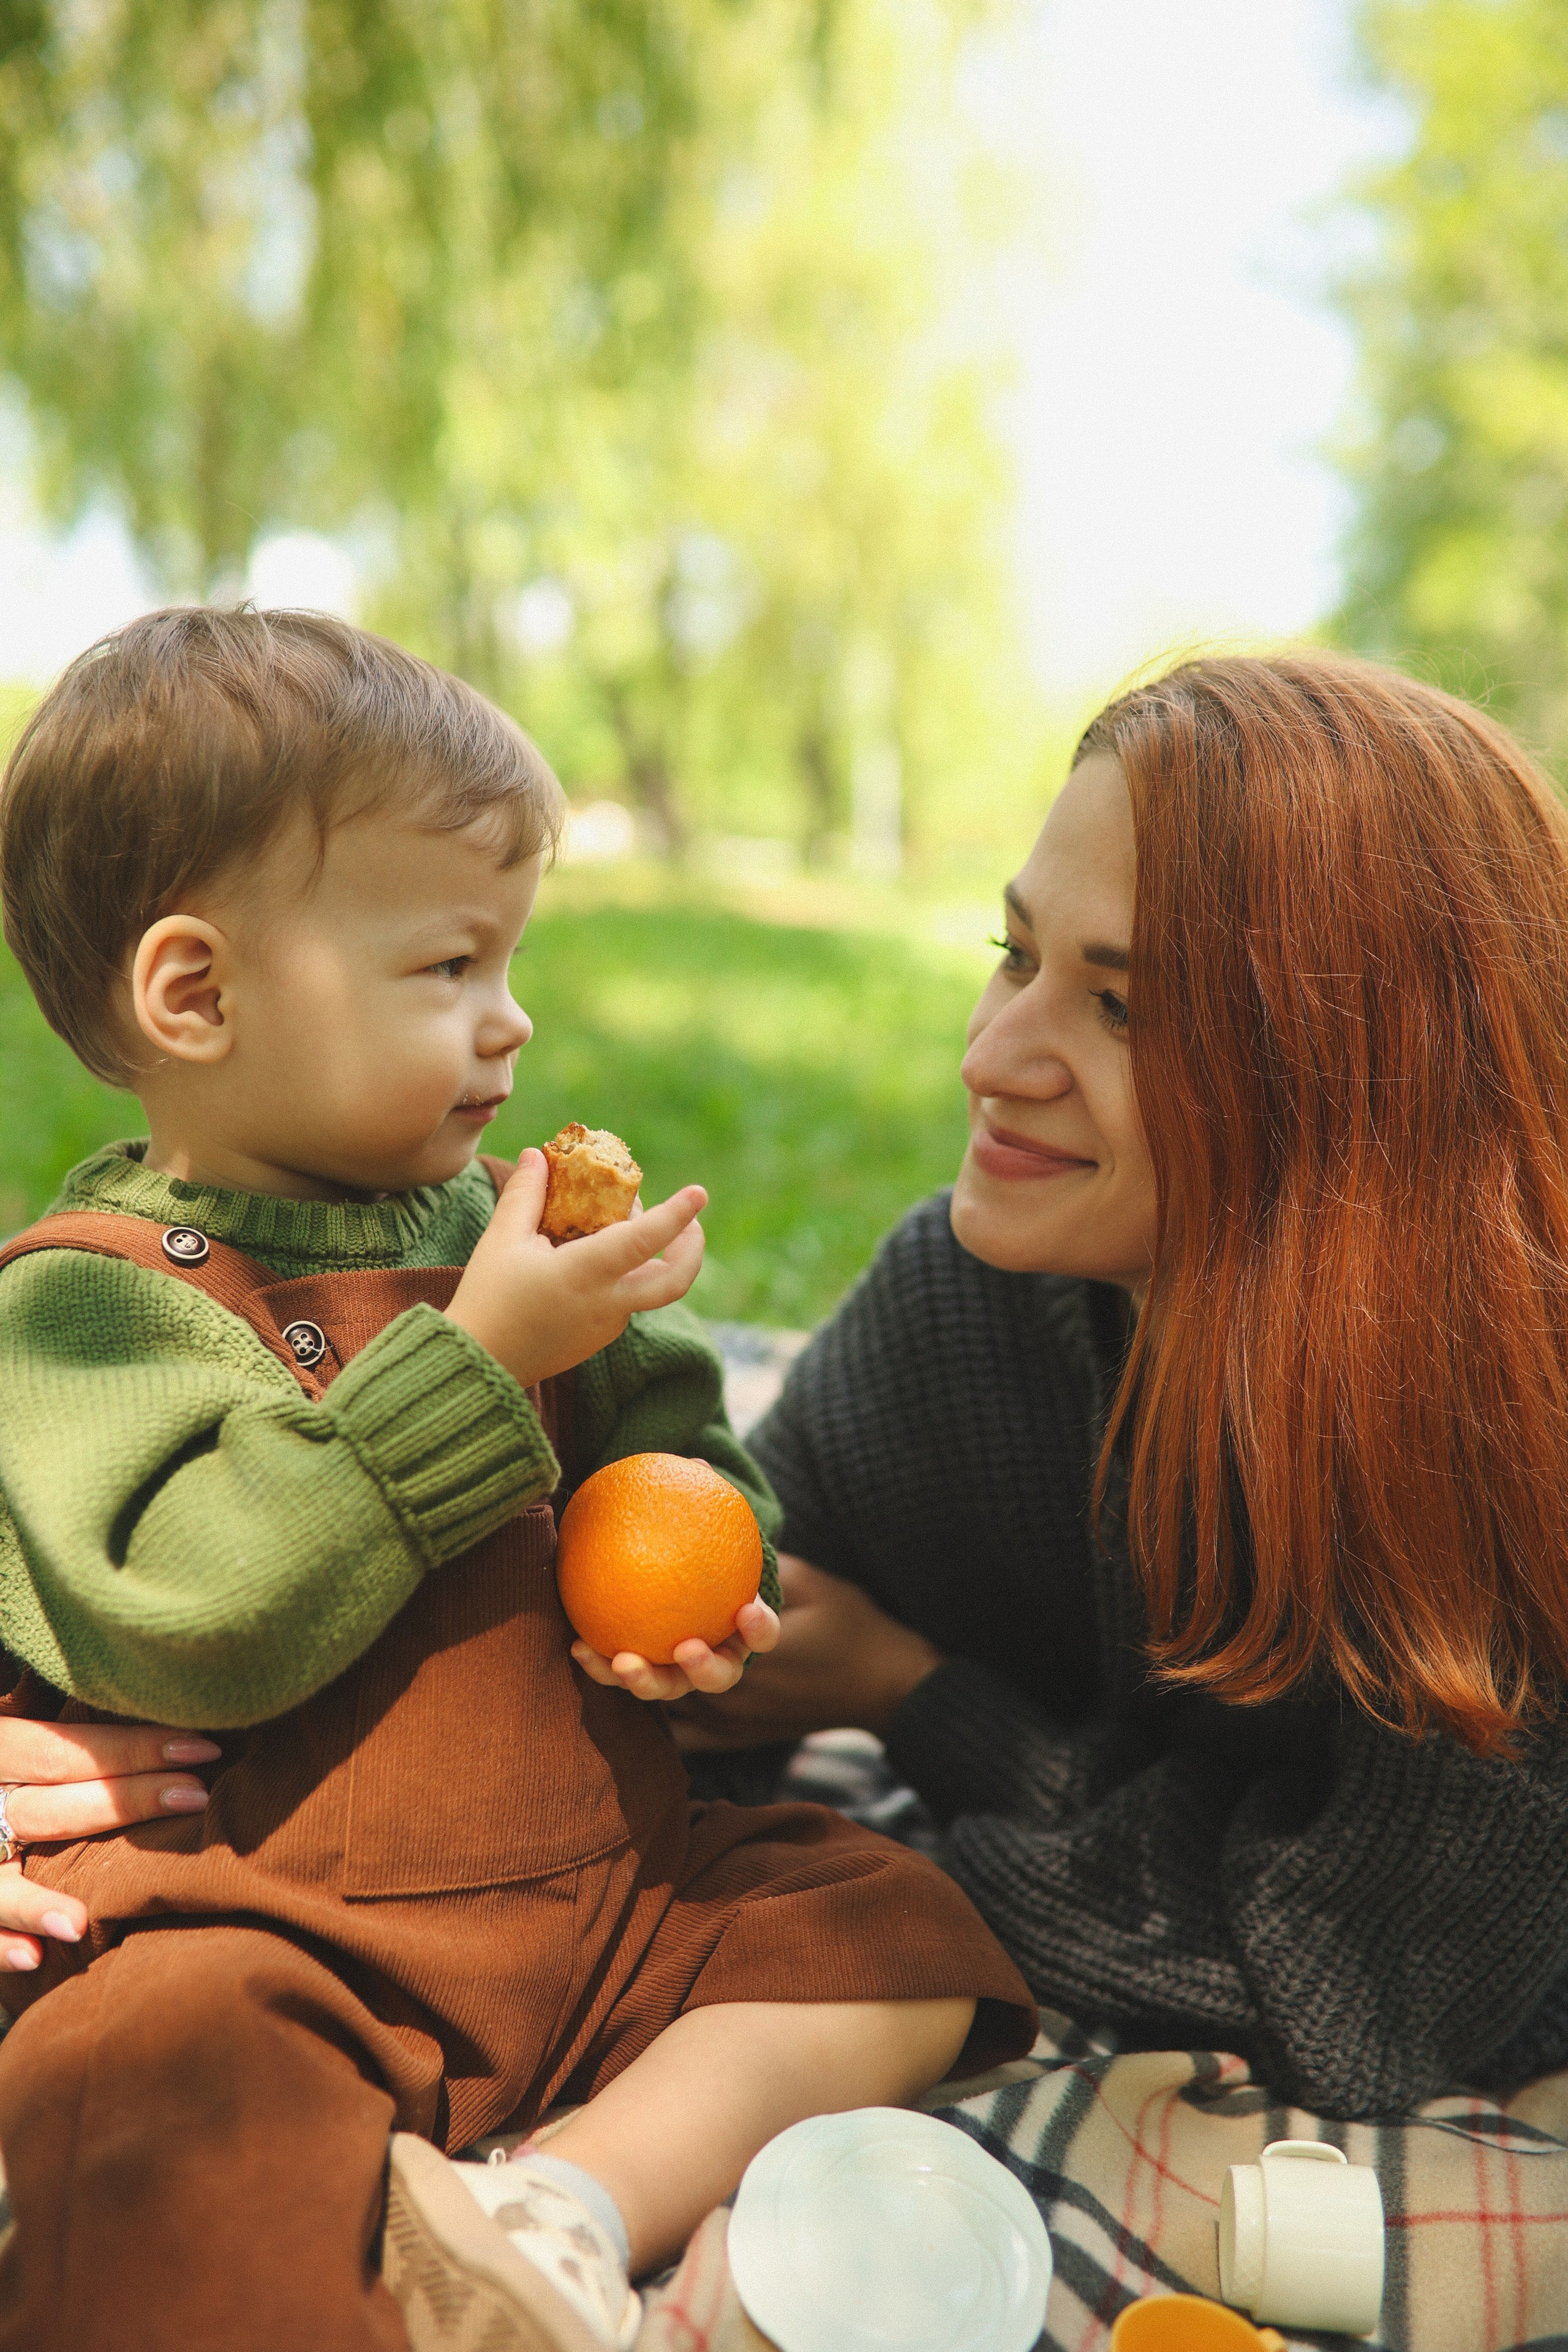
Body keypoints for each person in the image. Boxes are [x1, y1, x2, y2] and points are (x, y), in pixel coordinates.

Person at [0, 608, 1033, 2352]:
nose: (512, 1019)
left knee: (898, 1925)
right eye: (448, 968)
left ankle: (555, 2208)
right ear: (197, 994)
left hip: (600, 1906)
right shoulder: (91, 1308)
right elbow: (186, 1621)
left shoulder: (508, 1230)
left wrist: (703, 1580)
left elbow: (672, 1443)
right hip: (266, 1935)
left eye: (512, 961)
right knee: (147, 2114)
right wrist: (480, 1366)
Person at [676, 650, 1568, 2122]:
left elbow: (1340, 1979)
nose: (992, 1055)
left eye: (1127, 1011)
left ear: (1354, 1088)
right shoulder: (970, 1300)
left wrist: (914, 1698)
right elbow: (709, 1603)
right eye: (1015, 953)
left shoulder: (1486, 1452)